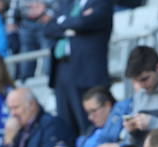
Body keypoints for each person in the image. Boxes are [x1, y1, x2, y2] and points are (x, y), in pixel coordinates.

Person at [44, 0, 113, 135]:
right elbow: (49, 28)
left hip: (88, 74)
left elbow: (84, 23)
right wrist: (72, 24)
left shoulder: (101, 3)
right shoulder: (67, 3)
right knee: (66, 126)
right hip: (62, 71)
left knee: (88, 126)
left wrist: (63, 22)